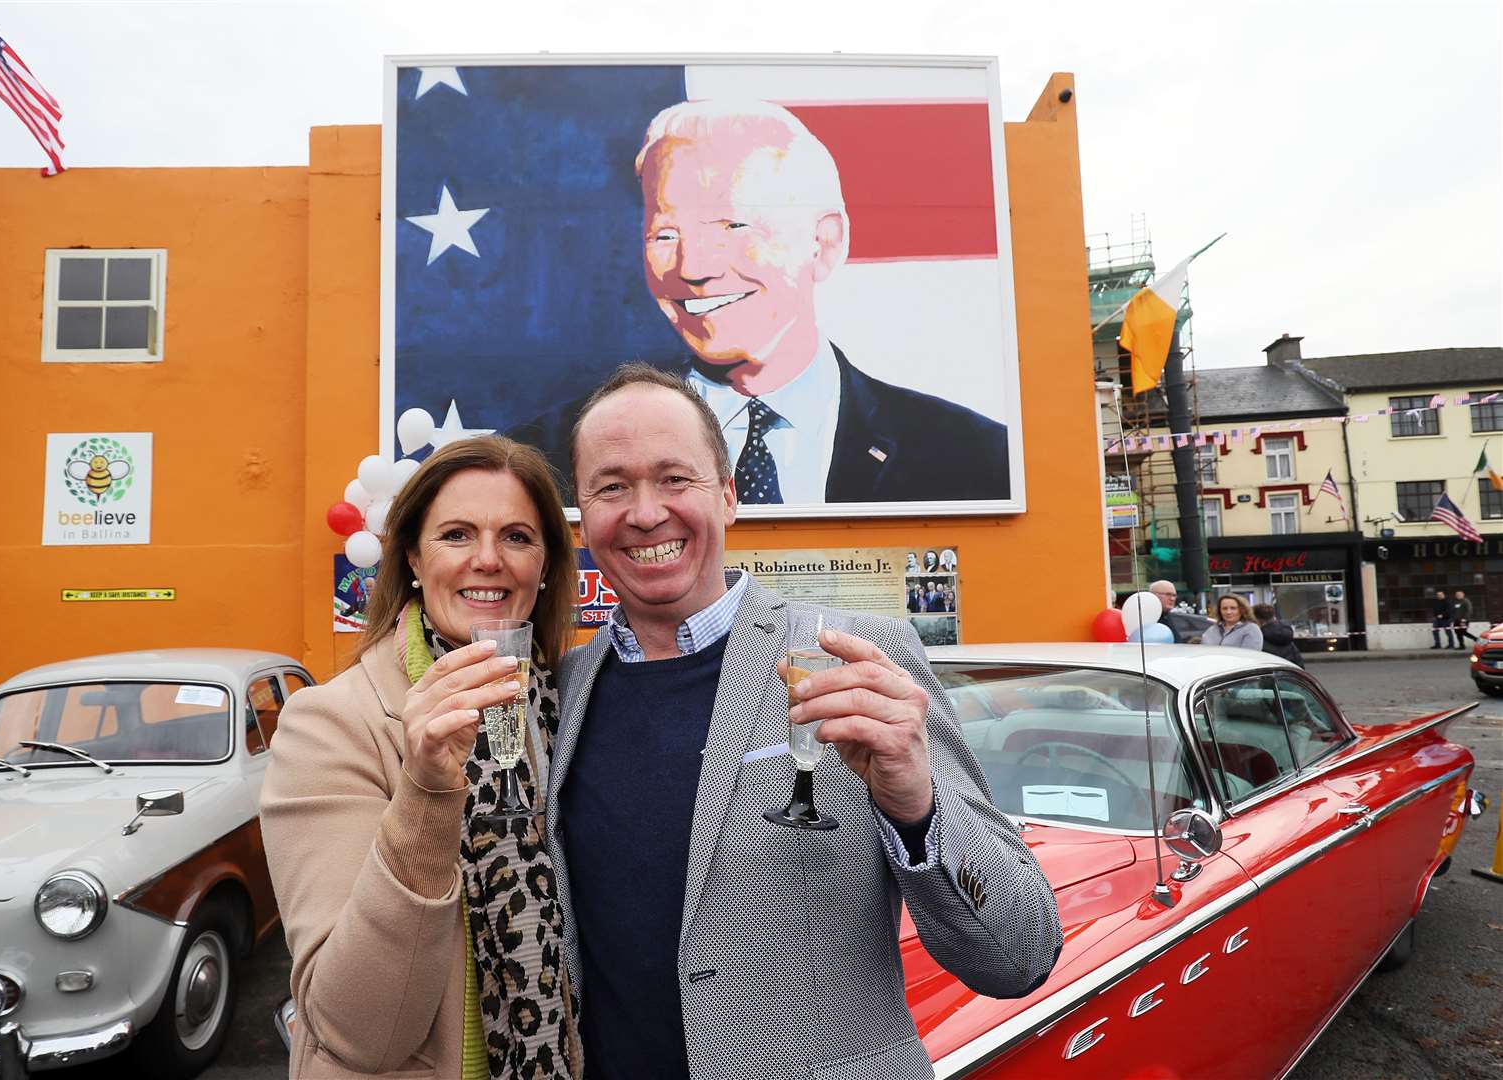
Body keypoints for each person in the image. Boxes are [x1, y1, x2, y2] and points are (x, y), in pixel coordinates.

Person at [550, 363, 1061, 1079]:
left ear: (727, 495)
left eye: (675, 478)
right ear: (582, 509)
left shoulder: (854, 660)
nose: (643, 513)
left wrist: (916, 802)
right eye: (612, 486)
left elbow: (1021, 954)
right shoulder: (562, 693)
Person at [261, 437, 581, 1080]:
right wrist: (427, 792)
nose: (487, 560)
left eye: (517, 537)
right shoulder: (329, 725)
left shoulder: (565, 705)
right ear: (411, 557)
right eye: (457, 535)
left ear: (544, 564)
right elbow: (357, 1033)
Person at [507, 100, 1010, 506]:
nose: (693, 267)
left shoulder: (975, 455)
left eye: (732, 226)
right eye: (665, 234)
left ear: (824, 242)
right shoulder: (546, 459)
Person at [1252, 603, 1305, 667]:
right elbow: (1299, 662)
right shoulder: (1286, 634)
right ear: (1273, 617)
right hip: (1290, 673)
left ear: (1258, 620)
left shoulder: (1259, 639)